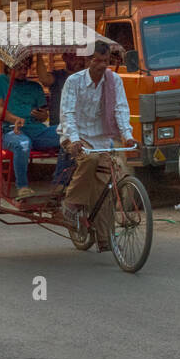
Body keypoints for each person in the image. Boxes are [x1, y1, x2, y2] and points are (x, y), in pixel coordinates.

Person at [58, 43, 135, 245]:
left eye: (106, 61)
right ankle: (72, 203)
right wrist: (74, 140)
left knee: (105, 181)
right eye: (97, 61)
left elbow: (120, 109)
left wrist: (127, 135)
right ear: (87, 61)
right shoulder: (73, 82)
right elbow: (68, 114)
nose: (102, 66)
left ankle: (104, 238)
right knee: (90, 158)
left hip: (101, 138)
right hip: (74, 135)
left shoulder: (113, 80)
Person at [0, 56, 59, 199]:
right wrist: (15, 119)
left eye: (26, 67)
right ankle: (22, 187)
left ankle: (60, 184)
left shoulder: (35, 86)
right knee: (23, 143)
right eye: (19, 67)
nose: (23, 71)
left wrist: (41, 115)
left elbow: (44, 117)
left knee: (69, 134)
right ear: (8, 65)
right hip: (10, 131)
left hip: (37, 131)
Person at [39, 51, 82, 127]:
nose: (76, 59)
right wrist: (38, 54)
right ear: (64, 57)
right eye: (72, 57)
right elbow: (44, 79)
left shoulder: (86, 77)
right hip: (59, 126)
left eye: (78, 56)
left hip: (81, 126)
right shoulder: (58, 75)